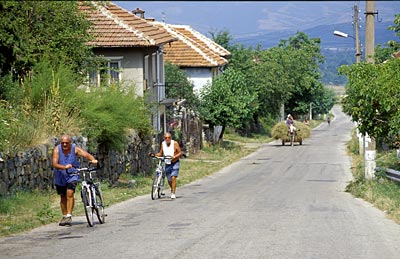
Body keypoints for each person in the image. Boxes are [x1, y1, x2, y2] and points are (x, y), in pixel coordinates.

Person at [52, 134, 98, 226]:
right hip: (60, 176)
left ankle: (69, 215)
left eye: (66, 143)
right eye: (63, 143)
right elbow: (54, 164)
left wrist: (93, 160)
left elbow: (86, 155)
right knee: (63, 196)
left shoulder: (75, 149)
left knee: (70, 193)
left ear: (70, 143)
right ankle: (64, 216)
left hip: (72, 175)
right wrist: (64, 167)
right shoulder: (57, 150)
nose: (64, 145)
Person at [151, 132, 182, 199]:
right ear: (164, 138)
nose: (167, 139)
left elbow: (180, 153)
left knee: (173, 177)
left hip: (174, 162)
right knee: (169, 179)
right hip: (167, 163)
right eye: (166, 138)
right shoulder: (163, 144)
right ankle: (172, 189)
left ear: (171, 138)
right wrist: (155, 155)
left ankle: (173, 193)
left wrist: (175, 156)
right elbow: (161, 153)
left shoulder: (175, 143)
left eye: (168, 138)